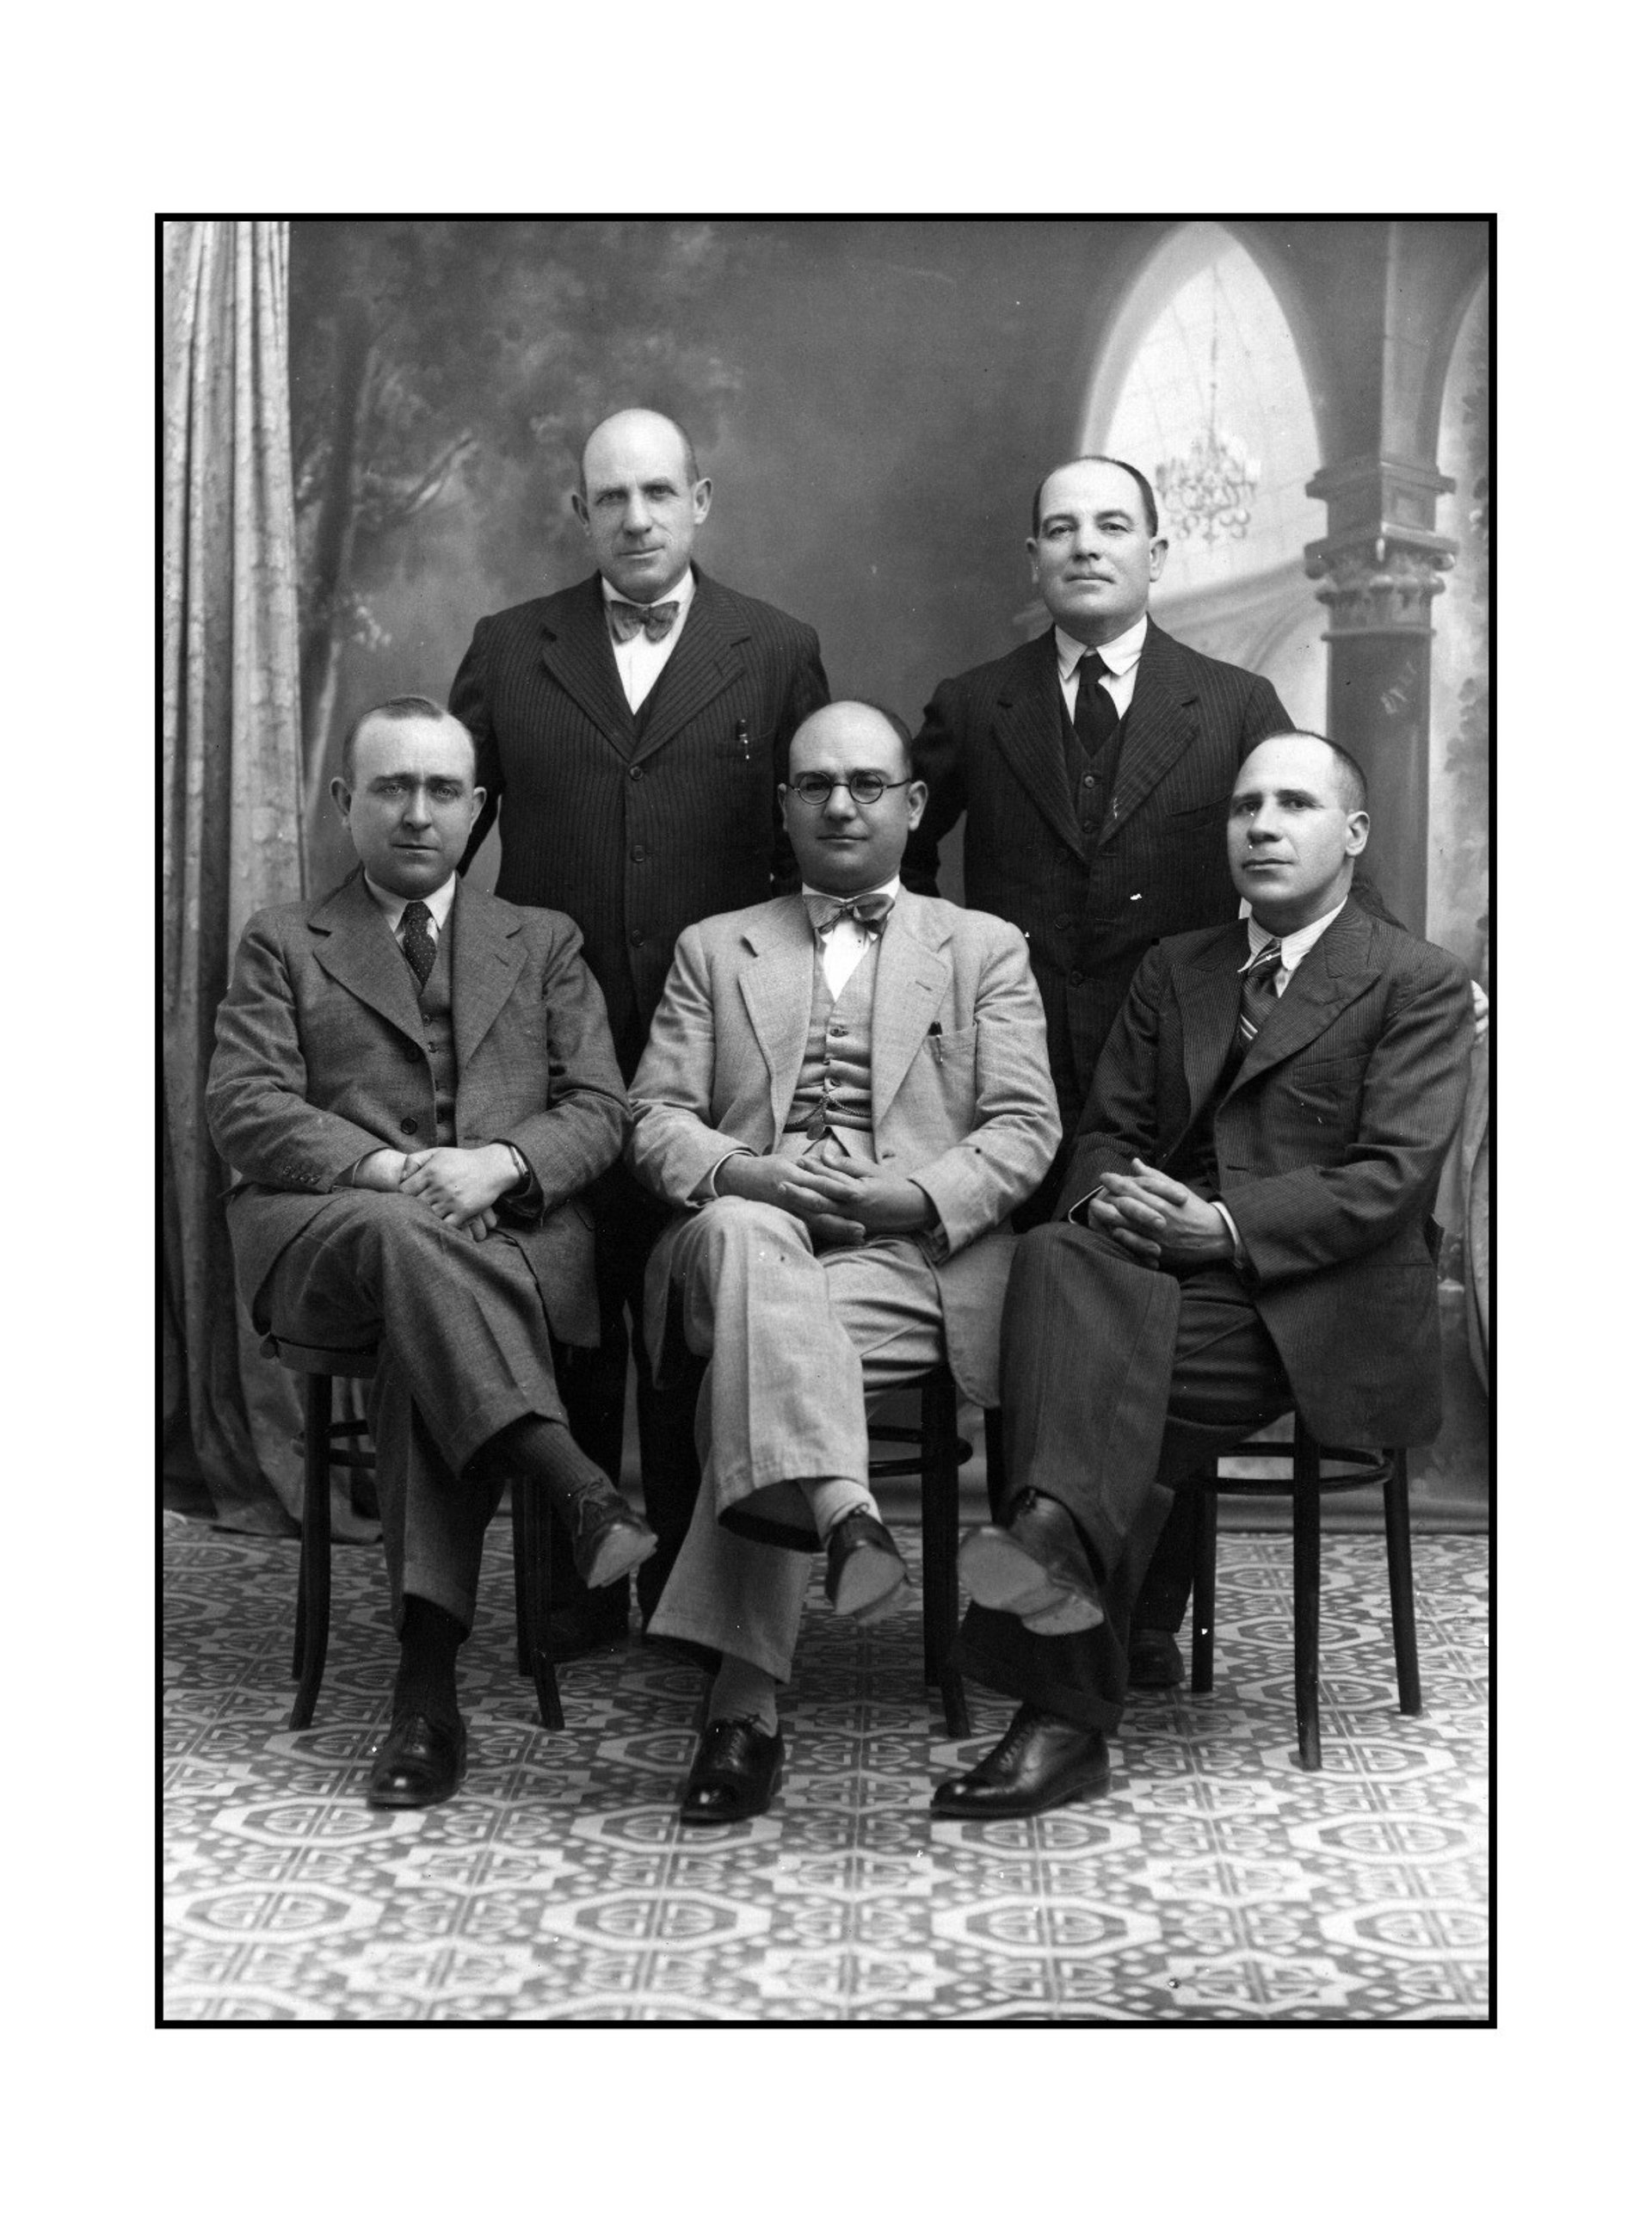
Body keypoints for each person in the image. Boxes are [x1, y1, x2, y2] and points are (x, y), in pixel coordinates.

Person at [934, 732, 1472, 1820]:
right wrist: (1115, 1202)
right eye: (1243, 806)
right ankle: (1061, 1583)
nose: (1262, 826)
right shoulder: (1176, 966)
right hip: (1151, 1271)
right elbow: (1105, 1133)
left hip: (1316, 1303)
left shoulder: (1414, 979)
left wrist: (1222, 1227)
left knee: (1090, 1385)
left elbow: (1390, 1179)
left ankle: (1055, 1629)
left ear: (1354, 834)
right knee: (1052, 1250)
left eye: (1293, 805)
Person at [206, 698, 651, 1810]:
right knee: (409, 1234)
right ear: (345, 802)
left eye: (443, 790)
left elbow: (602, 1107)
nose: (418, 812)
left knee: (426, 1315)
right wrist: (395, 1172)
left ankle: (425, 1689)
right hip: (329, 1237)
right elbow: (245, 1104)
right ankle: (572, 1480)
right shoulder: (282, 940)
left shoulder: (542, 942)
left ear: (478, 807)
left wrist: (501, 1162)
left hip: (504, 1241)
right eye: (392, 788)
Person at [626, 700, 1060, 1822]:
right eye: (815, 783)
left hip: (908, 1261)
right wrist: (750, 1174)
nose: (839, 804)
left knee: (762, 1356)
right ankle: (844, 1514)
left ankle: (744, 1707)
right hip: (743, 1236)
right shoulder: (715, 948)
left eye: (867, 784)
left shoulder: (983, 948)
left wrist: (909, 1196)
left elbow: (1024, 1127)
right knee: (743, 1238)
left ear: (913, 805)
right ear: (783, 805)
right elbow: (655, 1118)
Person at [450, 408, 829, 1655]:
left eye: (659, 492)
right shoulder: (510, 648)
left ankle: (687, 1600)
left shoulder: (776, 650)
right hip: (543, 1047)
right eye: (611, 497)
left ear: (701, 500)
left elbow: (814, 858)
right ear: (580, 512)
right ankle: (569, 1598)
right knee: (563, 1296)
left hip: (715, 1047)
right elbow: (442, 841)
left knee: (687, 1310)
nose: (636, 517)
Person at [903, 453, 1294, 1132]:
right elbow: (892, 850)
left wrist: (1407, 981)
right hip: (1007, 1063)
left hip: (1182, 1064)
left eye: (1112, 526)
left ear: (1155, 555)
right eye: (1062, 529)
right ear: (1035, 559)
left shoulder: (1237, 705)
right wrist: (943, 968)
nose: (1085, 546)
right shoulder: (973, 703)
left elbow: (1318, 851)